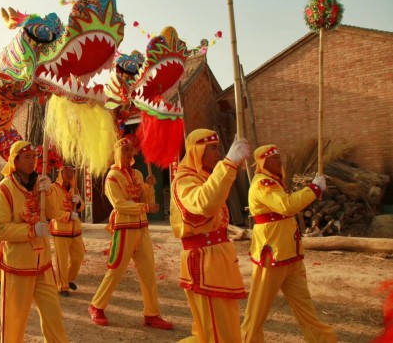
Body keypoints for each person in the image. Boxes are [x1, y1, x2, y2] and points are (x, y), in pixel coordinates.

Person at [241, 145, 337, 342]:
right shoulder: (263, 183)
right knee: (257, 309)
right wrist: (314, 188)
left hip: (290, 255)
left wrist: (313, 188)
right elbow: (287, 205)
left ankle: (323, 340)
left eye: (279, 157)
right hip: (272, 256)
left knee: (305, 307)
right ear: (263, 163)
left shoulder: (276, 182)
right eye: (274, 158)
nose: (279, 161)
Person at [170, 129, 250, 343]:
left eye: (219, 148)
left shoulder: (205, 177)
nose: (218, 152)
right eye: (212, 148)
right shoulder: (184, 180)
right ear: (197, 151)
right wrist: (229, 164)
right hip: (204, 261)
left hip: (218, 258)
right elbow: (205, 203)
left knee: (219, 328)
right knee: (217, 332)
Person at [88, 137, 173, 330]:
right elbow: (119, 204)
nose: (129, 153)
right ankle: (96, 305)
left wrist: (149, 187)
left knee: (149, 272)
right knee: (116, 271)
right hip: (124, 229)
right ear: (117, 153)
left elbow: (145, 198)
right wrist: (145, 206)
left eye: (131, 150)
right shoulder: (112, 177)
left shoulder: (138, 174)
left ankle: (151, 314)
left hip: (141, 229)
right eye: (125, 150)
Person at [0, 140, 69, 343]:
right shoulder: (4, 189)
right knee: (14, 322)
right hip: (17, 265)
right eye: (27, 157)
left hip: (42, 263)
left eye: (34, 157)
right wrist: (31, 230)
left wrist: (49, 191)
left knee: (54, 318)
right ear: (14, 160)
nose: (32, 161)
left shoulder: (41, 184)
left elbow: (55, 212)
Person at [50, 165, 85, 296]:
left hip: (76, 229)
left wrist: (79, 204)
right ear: (60, 173)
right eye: (67, 171)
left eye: (72, 171)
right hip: (61, 230)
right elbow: (52, 210)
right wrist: (68, 215)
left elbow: (80, 206)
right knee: (61, 260)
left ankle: (69, 278)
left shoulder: (74, 188)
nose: (70, 174)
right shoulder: (53, 189)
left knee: (78, 256)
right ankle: (62, 286)